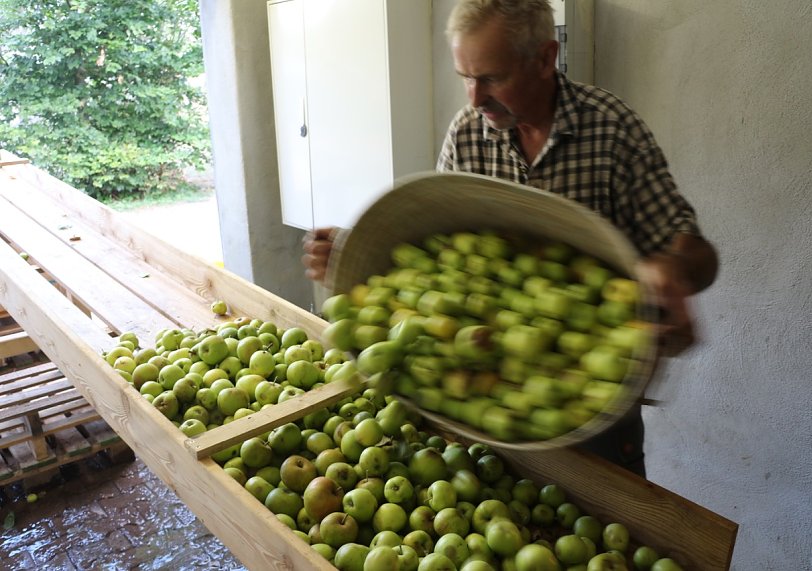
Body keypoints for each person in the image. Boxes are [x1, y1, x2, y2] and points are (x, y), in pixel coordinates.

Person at [303, 0, 719, 478]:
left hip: (589, 410)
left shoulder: (612, 130)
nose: (474, 98)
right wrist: (356, 251)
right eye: (465, 77)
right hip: (481, 395)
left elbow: (695, 250)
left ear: (544, 58)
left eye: (491, 78)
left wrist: (674, 271)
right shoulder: (466, 134)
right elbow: (437, 255)